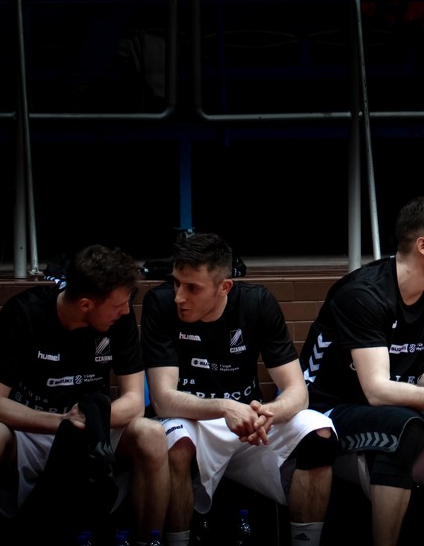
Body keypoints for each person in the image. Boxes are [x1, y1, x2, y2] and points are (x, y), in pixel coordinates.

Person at [299, 196, 424, 546]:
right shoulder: (363, 294)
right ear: (423, 246)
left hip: (397, 403)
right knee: (404, 423)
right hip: (329, 408)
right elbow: (376, 390)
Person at [0, 245, 169, 546]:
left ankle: (149, 542)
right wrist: (62, 422)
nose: (126, 311)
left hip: (91, 432)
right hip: (32, 431)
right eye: (118, 305)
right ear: (85, 305)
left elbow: (135, 403)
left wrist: (90, 421)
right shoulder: (23, 312)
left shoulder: (118, 320)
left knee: (151, 433)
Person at [143, 232, 335, 546]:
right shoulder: (160, 303)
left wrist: (267, 413)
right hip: (194, 422)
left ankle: (305, 542)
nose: (179, 296)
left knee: (318, 432)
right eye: (176, 283)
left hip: (250, 426)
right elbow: (163, 400)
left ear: (225, 287)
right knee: (176, 441)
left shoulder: (257, 303)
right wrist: (225, 407)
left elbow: (297, 392)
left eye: (192, 288)